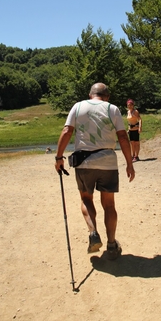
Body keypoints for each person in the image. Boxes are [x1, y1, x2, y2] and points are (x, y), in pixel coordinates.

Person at [55, 83, 135, 260]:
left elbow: (67, 131)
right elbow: (122, 136)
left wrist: (58, 157)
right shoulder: (112, 109)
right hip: (108, 162)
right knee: (109, 205)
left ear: (90, 95)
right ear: (106, 96)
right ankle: (112, 245)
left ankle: (93, 233)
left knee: (86, 198)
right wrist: (130, 163)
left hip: (84, 163)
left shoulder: (78, 106)